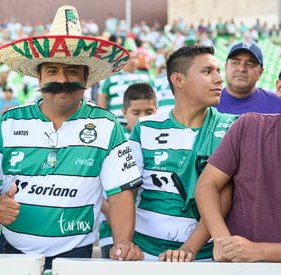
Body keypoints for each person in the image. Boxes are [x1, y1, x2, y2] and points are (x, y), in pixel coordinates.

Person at [0, 5, 143, 270]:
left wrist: (123, 242)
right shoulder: (9, 121)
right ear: (38, 75)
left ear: (86, 77)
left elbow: (119, 195)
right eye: (52, 71)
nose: (62, 80)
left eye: (72, 71)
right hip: (11, 253)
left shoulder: (107, 125)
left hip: (76, 257)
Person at [129, 45, 238, 261]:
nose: (219, 79)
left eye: (218, 71)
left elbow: (225, 193)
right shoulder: (144, 128)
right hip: (144, 254)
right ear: (178, 80)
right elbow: (127, 192)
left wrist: (189, 249)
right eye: (207, 72)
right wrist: (123, 240)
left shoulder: (231, 128)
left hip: (206, 257)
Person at [195, 112, 281, 262]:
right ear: (279, 88)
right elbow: (207, 184)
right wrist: (222, 240)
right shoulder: (249, 125)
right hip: (237, 266)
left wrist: (258, 251)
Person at [99, 82, 157, 258]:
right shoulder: (113, 140)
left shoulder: (160, 142)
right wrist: (112, 215)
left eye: (149, 112)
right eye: (136, 113)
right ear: (124, 113)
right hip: (111, 230)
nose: (142, 119)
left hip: (147, 233)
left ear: (157, 109)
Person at [215, 41, 281, 114]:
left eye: (249, 64)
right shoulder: (207, 103)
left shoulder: (277, 104)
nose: (241, 68)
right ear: (226, 67)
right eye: (235, 63)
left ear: (260, 72)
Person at [97, 51, 151, 124]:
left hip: (141, 121)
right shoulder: (111, 77)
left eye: (134, 58)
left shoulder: (145, 77)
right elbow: (102, 97)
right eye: (128, 58)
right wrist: (105, 117)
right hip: (117, 121)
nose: (132, 61)